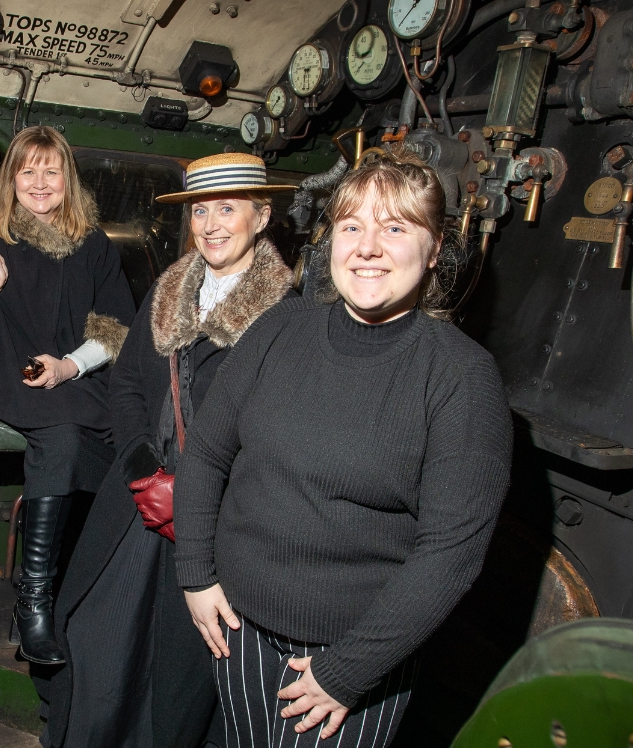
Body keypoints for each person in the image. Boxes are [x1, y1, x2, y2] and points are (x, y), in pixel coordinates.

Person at [175, 154, 512, 747]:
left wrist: (346, 673)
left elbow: (450, 555)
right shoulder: (281, 327)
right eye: (352, 226)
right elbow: (205, 453)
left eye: (396, 228)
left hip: (354, 656)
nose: (368, 247)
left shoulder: (461, 377)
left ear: (435, 251)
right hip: (238, 627)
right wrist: (196, 575)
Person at [42, 153, 298, 747]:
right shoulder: (169, 287)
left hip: (216, 521)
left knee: (179, 668)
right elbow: (128, 381)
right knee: (99, 632)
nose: (210, 224)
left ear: (261, 217)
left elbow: (276, 433)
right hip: (140, 497)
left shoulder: (286, 316)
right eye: (200, 210)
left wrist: (201, 493)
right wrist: (140, 466)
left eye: (227, 209)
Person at [0, 125, 136, 665]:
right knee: (66, 433)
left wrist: (70, 364)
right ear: (11, 178)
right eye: (28, 170)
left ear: (67, 179)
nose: (40, 182)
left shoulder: (92, 243)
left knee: (133, 437)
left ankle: (93, 592)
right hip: (4, 365)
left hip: (71, 372)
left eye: (52, 170)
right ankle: (34, 605)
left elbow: (116, 326)